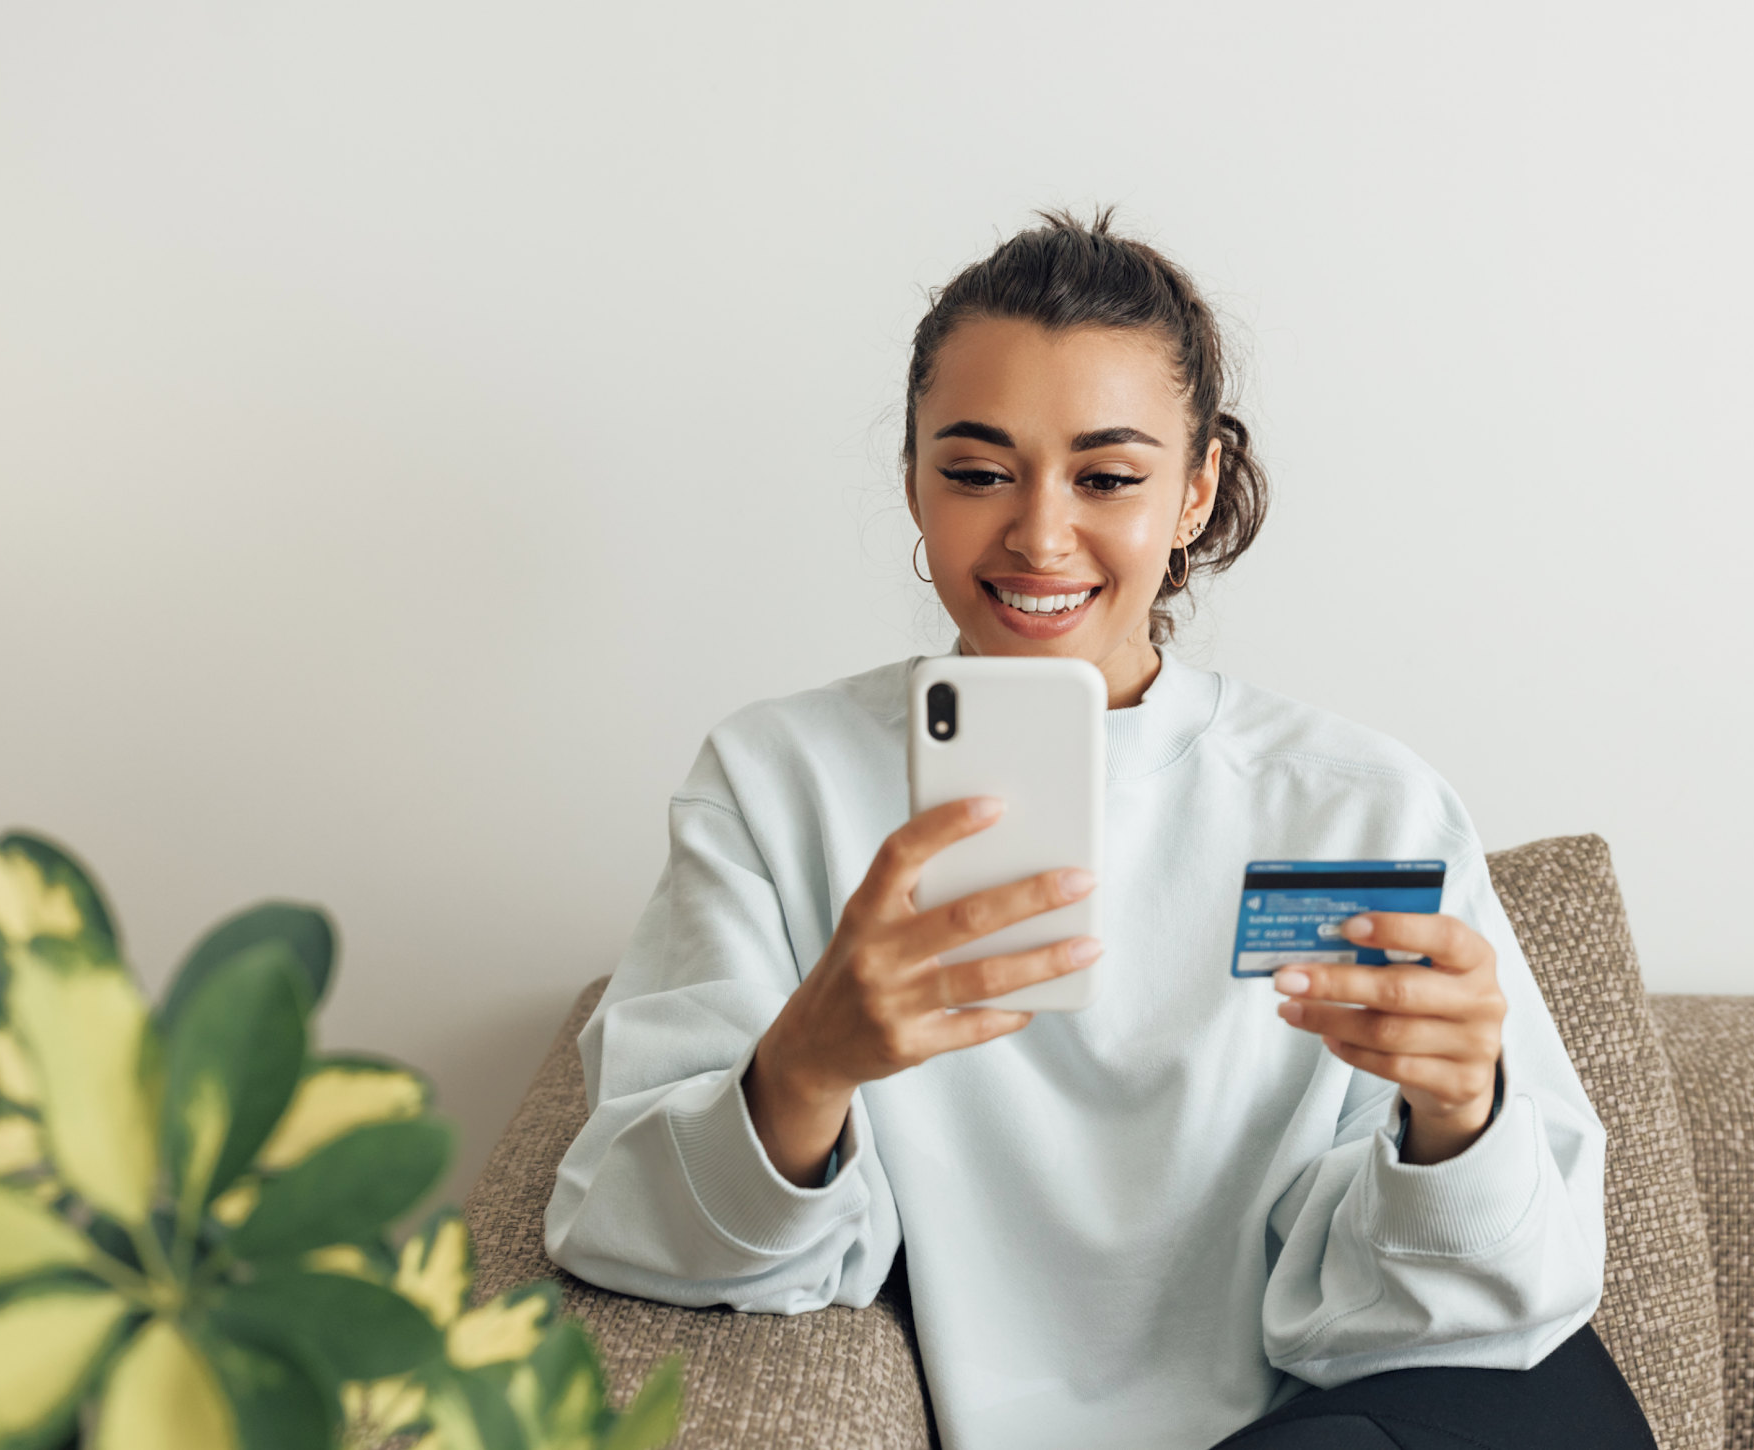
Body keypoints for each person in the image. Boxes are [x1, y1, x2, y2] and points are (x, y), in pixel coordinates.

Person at [546, 212, 1655, 1450]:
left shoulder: (1353, 801)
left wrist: (1456, 1120)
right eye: (976, 471)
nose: (1038, 535)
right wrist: (802, 1069)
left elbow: (1488, 1309)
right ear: (912, 481)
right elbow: (619, 1219)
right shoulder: (780, 782)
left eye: (1108, 477)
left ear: (1195, 492)